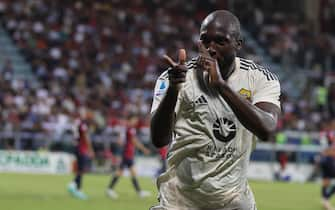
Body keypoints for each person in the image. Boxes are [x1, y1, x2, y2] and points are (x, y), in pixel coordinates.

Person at [150, 10, 281, 210]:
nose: (210, 48)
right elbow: (159, 139)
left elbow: (267, 130)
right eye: (205, 41)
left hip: (234, 201)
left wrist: (221, 85)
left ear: (238, 44)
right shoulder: (176, 77)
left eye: (220, 41)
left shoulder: (259, 79)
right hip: (180, 199)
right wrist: (173, 91)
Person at [106, 115, 151, 199]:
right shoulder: (130, 129)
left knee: (130, 172)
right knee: (122, 172)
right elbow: (134, 141)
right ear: (130, 120)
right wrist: (144, 149)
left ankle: (139, 192)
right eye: (135, 119)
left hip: (127, 153)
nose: (136, 121)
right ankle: (110, 189)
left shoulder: (128, 128)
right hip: (127, 154)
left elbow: (122, 140)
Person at [67, 113, 95, 200]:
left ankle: (74, 185)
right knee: (81, 169)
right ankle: (77, 188)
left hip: (77, 147)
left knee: (80, 169)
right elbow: (86, 137)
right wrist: (90, 149)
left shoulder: (77, 123)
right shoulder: (83, 124)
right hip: (81, 148)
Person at [320, 121, 335, 210]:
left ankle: (324, 199)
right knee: (326, 181)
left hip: (325, 159)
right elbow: (330, 150)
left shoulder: (325, 135)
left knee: (326, 181)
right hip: (329, 160)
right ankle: (326, 200)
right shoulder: (331, 135)